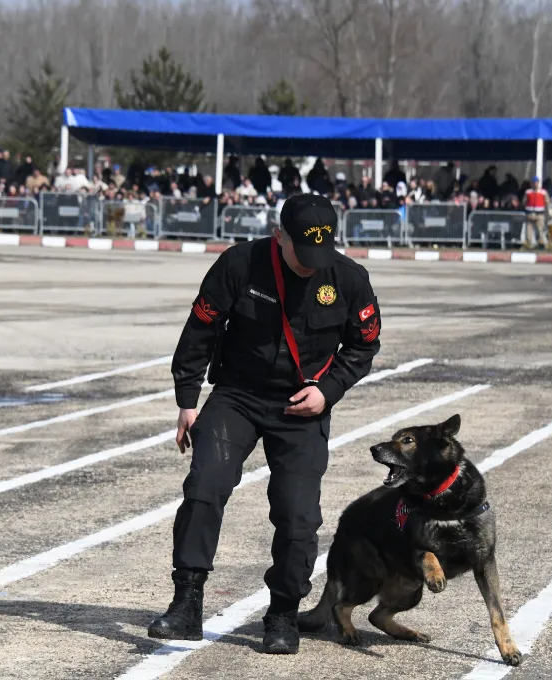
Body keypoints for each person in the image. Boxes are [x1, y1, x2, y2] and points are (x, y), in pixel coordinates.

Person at [149, 194, 381, 655]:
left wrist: (327, 392)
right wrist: (188, 400)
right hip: (238, 395)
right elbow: (200, 330)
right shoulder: (240, 265)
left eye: (321, 254)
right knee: (204, 485)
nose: (312, 266)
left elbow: (364, 345)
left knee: (299, 517)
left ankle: (282, 613)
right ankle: (187, 602)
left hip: (302, 404)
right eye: (303, 255)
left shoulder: (349, 279)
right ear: (280, 237)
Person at [524, 176, 549, 249]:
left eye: (536, 182)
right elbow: (524, 201)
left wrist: (545, 208)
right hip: (530, 213)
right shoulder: (528, 192)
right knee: (529, 230)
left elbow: (547, 201)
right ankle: (528, 243)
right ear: (531, 183)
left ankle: (541, 243)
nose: (535, 184)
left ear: (538, 183)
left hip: (540, 214)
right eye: (533, 183)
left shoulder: (543, 192)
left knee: (540, 229)